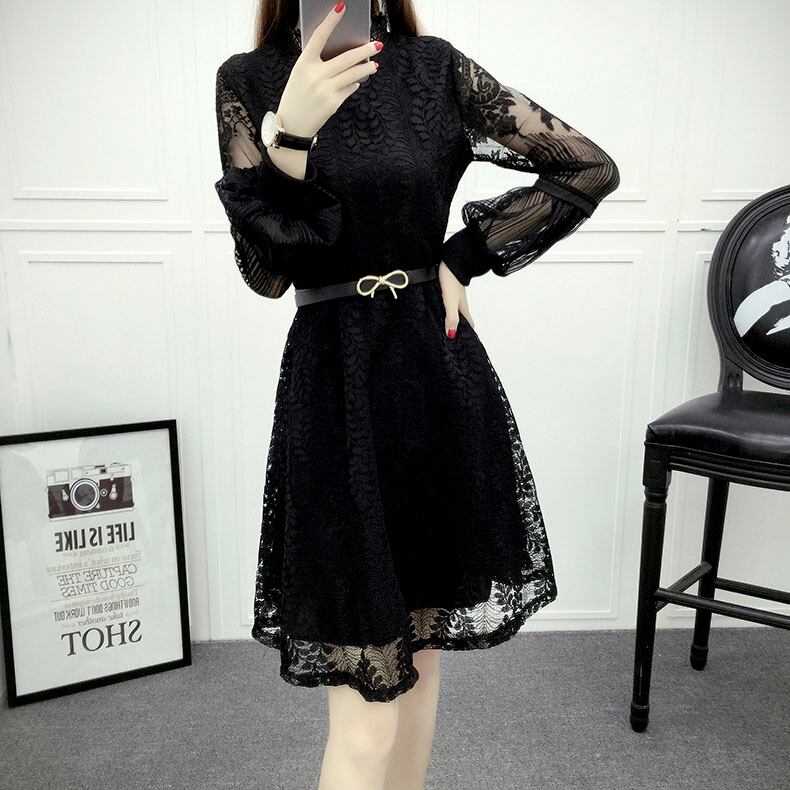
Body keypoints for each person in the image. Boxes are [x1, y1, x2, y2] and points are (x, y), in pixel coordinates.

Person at [213, 1, 620, 788]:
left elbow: (586, 166)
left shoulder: (435, 69)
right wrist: (290, 137)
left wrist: (465, 255)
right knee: (366, 716)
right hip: (335, 392)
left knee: (423, 662)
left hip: (436, 379)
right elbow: (265, 273)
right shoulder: (250, 80)